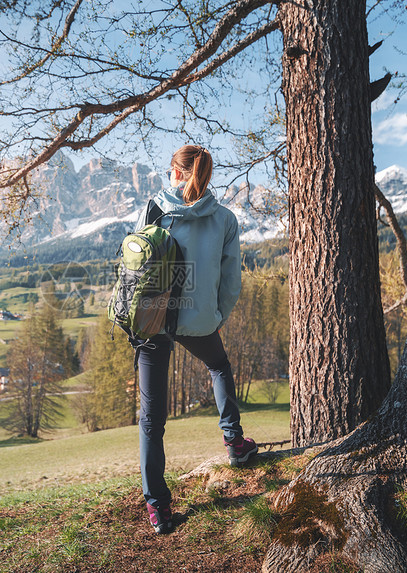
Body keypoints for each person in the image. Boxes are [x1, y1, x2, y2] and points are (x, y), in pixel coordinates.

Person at [135, 144, 257, 535]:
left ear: (176, 172)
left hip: (153, 321)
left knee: (151, 419)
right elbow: (232, 280)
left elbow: (136, 262)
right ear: (205, 174)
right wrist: (216, 315)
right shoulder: (223, 219)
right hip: (200, 318)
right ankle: (234, 443)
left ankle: (158, 507)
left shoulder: (155, 208)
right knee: (218, 365)